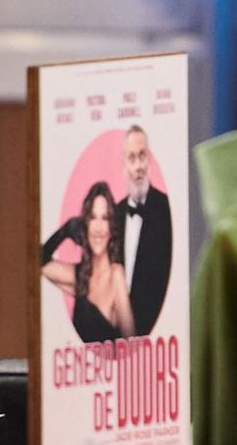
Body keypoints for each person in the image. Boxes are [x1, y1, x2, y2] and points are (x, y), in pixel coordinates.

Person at [43, 178, 134, 343]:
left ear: (112, 227)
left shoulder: (116, 275)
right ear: (85, 224)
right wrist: (65, 231)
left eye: (105, 218)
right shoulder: (80, 277)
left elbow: (134, 346)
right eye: (93, 217)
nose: (98, 228)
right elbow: (38, 263)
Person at [111, 125, 175, 336]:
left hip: (158, 331)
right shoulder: (115, 214)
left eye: (142, 156)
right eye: (132, 158)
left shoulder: (166, 208)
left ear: (149, 159)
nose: (138, 166)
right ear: (123, 164)